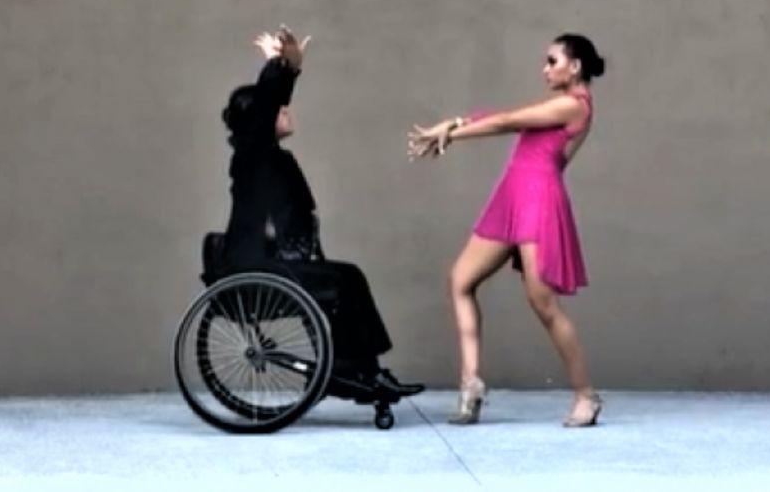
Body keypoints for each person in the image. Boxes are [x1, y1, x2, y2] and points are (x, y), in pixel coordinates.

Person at [216, 25, 423, 399]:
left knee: (346, 279)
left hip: (278, 261)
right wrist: (279, 67)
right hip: (259, 266)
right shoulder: (253, 155)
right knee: (345, 281)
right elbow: (265, 106)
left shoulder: (267, 159)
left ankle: (365, 372)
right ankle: (351, 372)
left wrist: (290, 68)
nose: (286, 112)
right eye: (280, 110)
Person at [408, 33, 605, 427]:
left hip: (537, 200)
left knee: (543, 303)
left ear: (575, 66)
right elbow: (510, 115)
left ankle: (587, 396)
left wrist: (451, 134)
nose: (545, 69)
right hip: (513, 194)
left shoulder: (573, 105)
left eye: (552, 61)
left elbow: (509, 122)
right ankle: (471, 384)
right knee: (461, 279)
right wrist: (457, 122)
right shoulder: (556, 102)